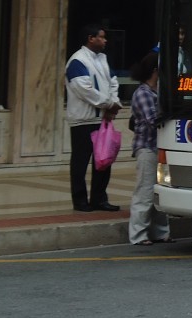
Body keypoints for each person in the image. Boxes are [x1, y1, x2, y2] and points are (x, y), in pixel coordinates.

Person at [65, 23, 122, 212]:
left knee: (103, 161)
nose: (105, 40)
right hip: (83, 120)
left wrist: (113, 103)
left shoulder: (103, 59)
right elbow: (84, 90)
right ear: (91, 38)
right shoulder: (77, 61)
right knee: (80, 161)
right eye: (102, 37)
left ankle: (99, 198)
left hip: (101, 120)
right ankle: (80, 200)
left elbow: (113, 83)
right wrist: (108, 104)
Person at [128, 52, 171, 245]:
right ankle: (138, 235)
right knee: (145, 192)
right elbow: (152, 119)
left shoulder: (158, 91)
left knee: (160, 193)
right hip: (146, 147)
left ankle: (161, 233)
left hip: (159, 147)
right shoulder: (143, 93)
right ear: (155, 70)